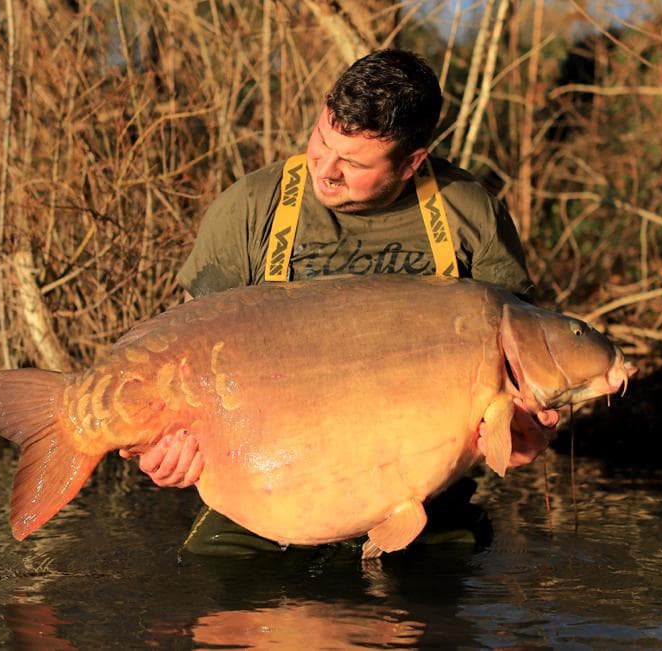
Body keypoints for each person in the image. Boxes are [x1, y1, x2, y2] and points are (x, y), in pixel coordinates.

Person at [121, 49, 552, 556]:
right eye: (321, 141)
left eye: (351, 162)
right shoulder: (251, 207)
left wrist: (524, 435)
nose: (325, 169)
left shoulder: (468, 212)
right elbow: (186, 364)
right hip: (264, 498)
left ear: (412, 162)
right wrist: (160, 446)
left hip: (425, 500)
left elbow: (524, 376)